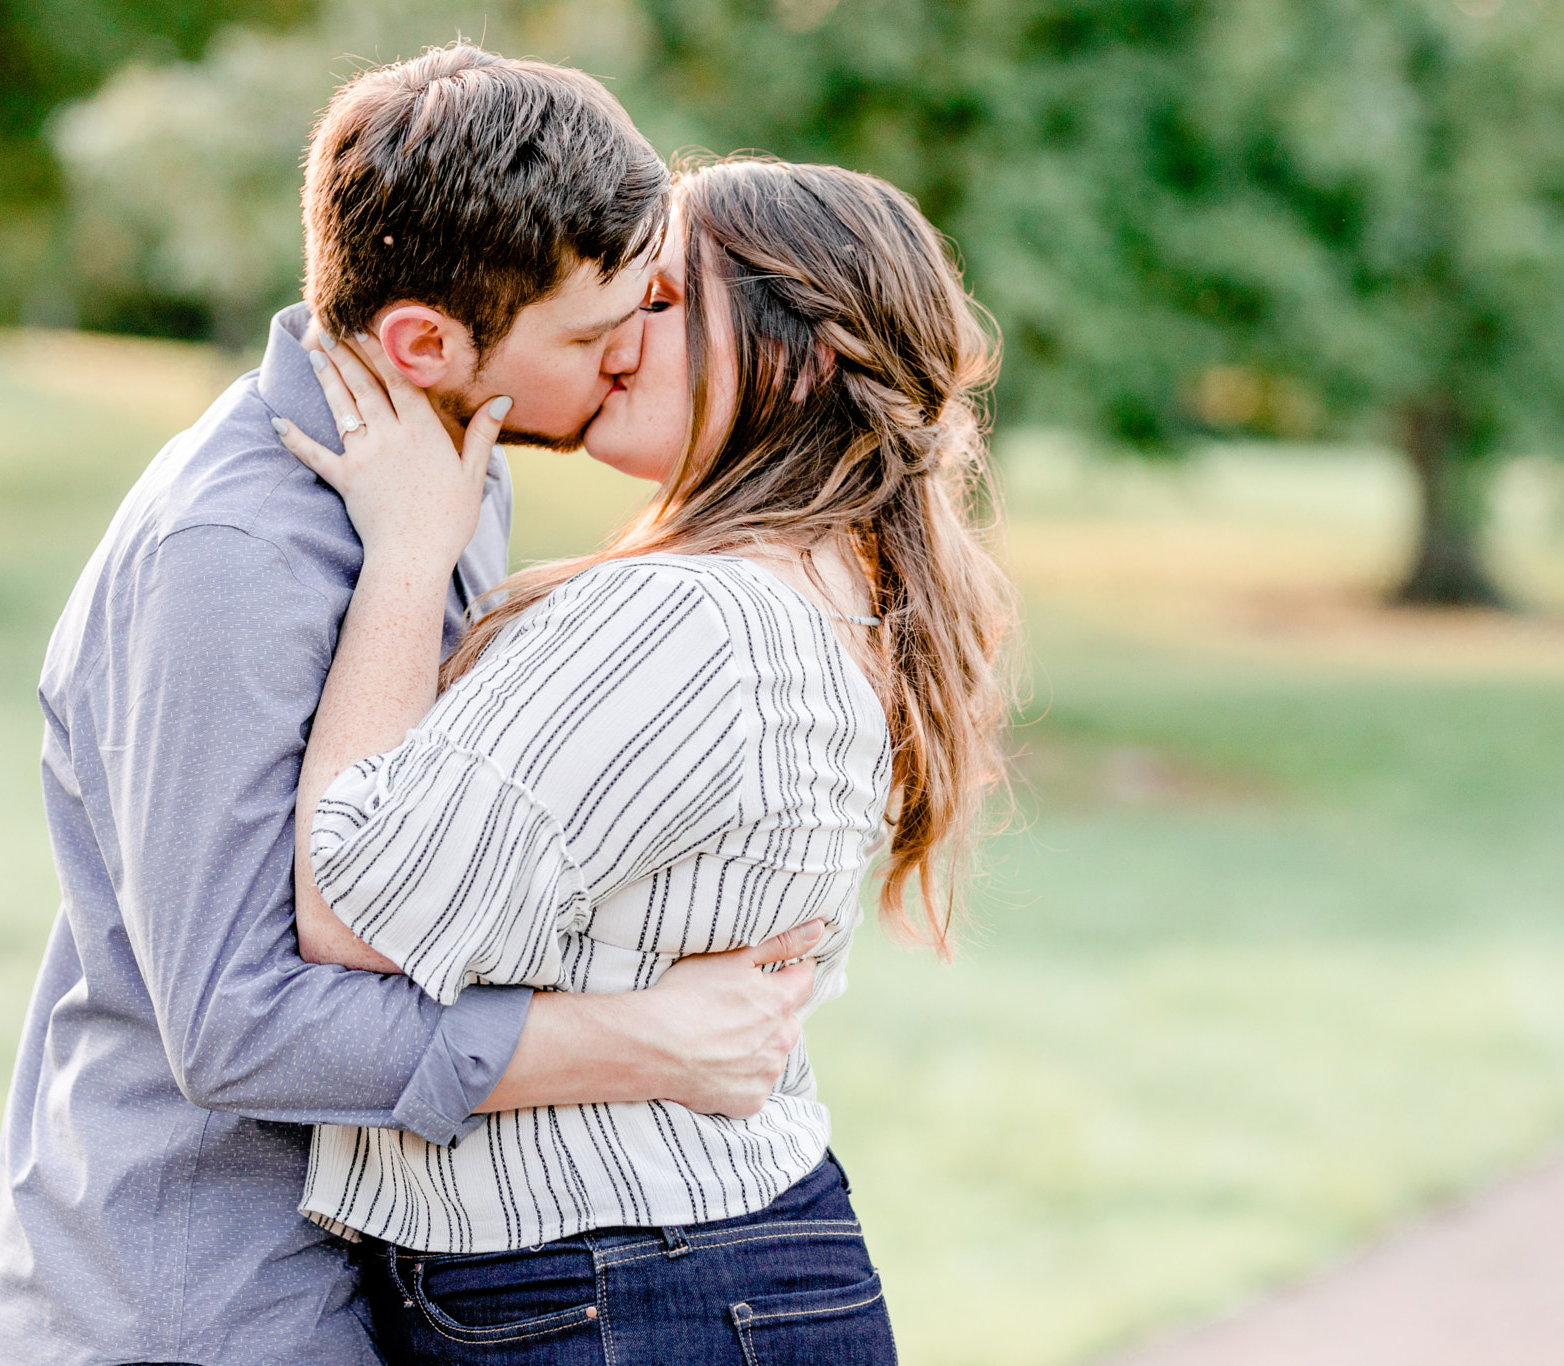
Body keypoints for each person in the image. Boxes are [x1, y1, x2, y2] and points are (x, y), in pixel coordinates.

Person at [0, 47, 823, 1366]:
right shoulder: (235, 557)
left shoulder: (442, 467)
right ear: (425, 339)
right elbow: (238, 1025)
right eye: (597, 337)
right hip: (207, 1302)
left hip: (376, 1277)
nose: (626, 367)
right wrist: (637, 1039)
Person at [269, 155, 1016, 1362]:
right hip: (666, 1276)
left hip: (623, 1288)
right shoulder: (818, 587)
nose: (615, 332)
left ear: (802, 351)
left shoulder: (697, 616)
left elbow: (358, 914)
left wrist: (409, 556)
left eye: (658, 301)